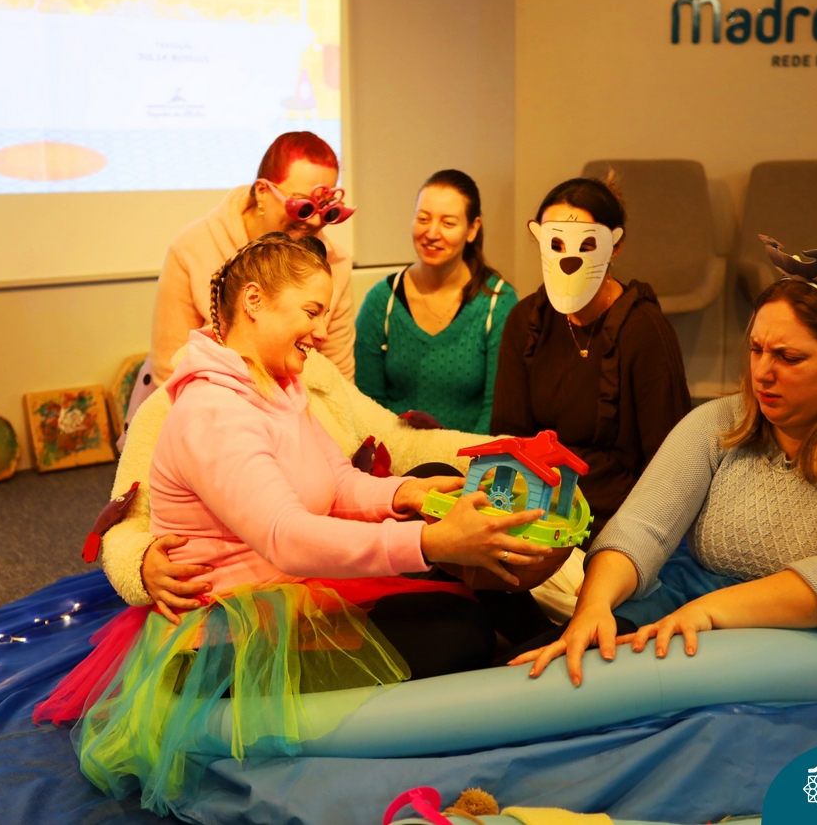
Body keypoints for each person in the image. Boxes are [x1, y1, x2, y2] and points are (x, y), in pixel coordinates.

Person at [43, 234, 546, 814]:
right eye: (311, 312)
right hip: (235, 634)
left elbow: (337, 481)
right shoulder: (212, 413)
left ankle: (542, 642)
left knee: (439, 526)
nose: (321, 330)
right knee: (459, 630)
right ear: (254, 302)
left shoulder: (279, 385)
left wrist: (405, 493)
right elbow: (287, 536)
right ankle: (538, 665)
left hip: (289, 590)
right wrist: (430, 540)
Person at [511, 261, 817, 686]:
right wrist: (594, 606)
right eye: (757, 349)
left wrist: (709, 611)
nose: (762, 373)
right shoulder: (719, 421)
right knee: (543, 669)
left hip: (801, 637)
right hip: (688, 601)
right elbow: (641, 528)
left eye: (789, 357)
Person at [119, 131, 357, 449]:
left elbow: (338, 377)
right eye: (302, 206)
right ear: (262, 192)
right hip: (197, 424)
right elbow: (170, 369)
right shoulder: (194, 247)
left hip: (295, 426)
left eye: (327, 210)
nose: (313, 222)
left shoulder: (335, 264)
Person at [493, 177, 692, 537]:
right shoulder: (527, 321)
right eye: (555, 244)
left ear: (615, 246)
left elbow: (668, 467)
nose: (569, 259)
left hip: (619, 519)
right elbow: (510, 436)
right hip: (539, 512)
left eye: (587, 245)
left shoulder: (643, 331)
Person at [355, 170, 516, 434]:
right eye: (423, 219)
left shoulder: (498, 303)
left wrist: (461, 457)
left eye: (448, 223)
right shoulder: (382, 301)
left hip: (471, 455)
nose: (431, 233)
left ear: (473, 229)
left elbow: (496, 409)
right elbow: (367, 402)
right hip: (395, 455)